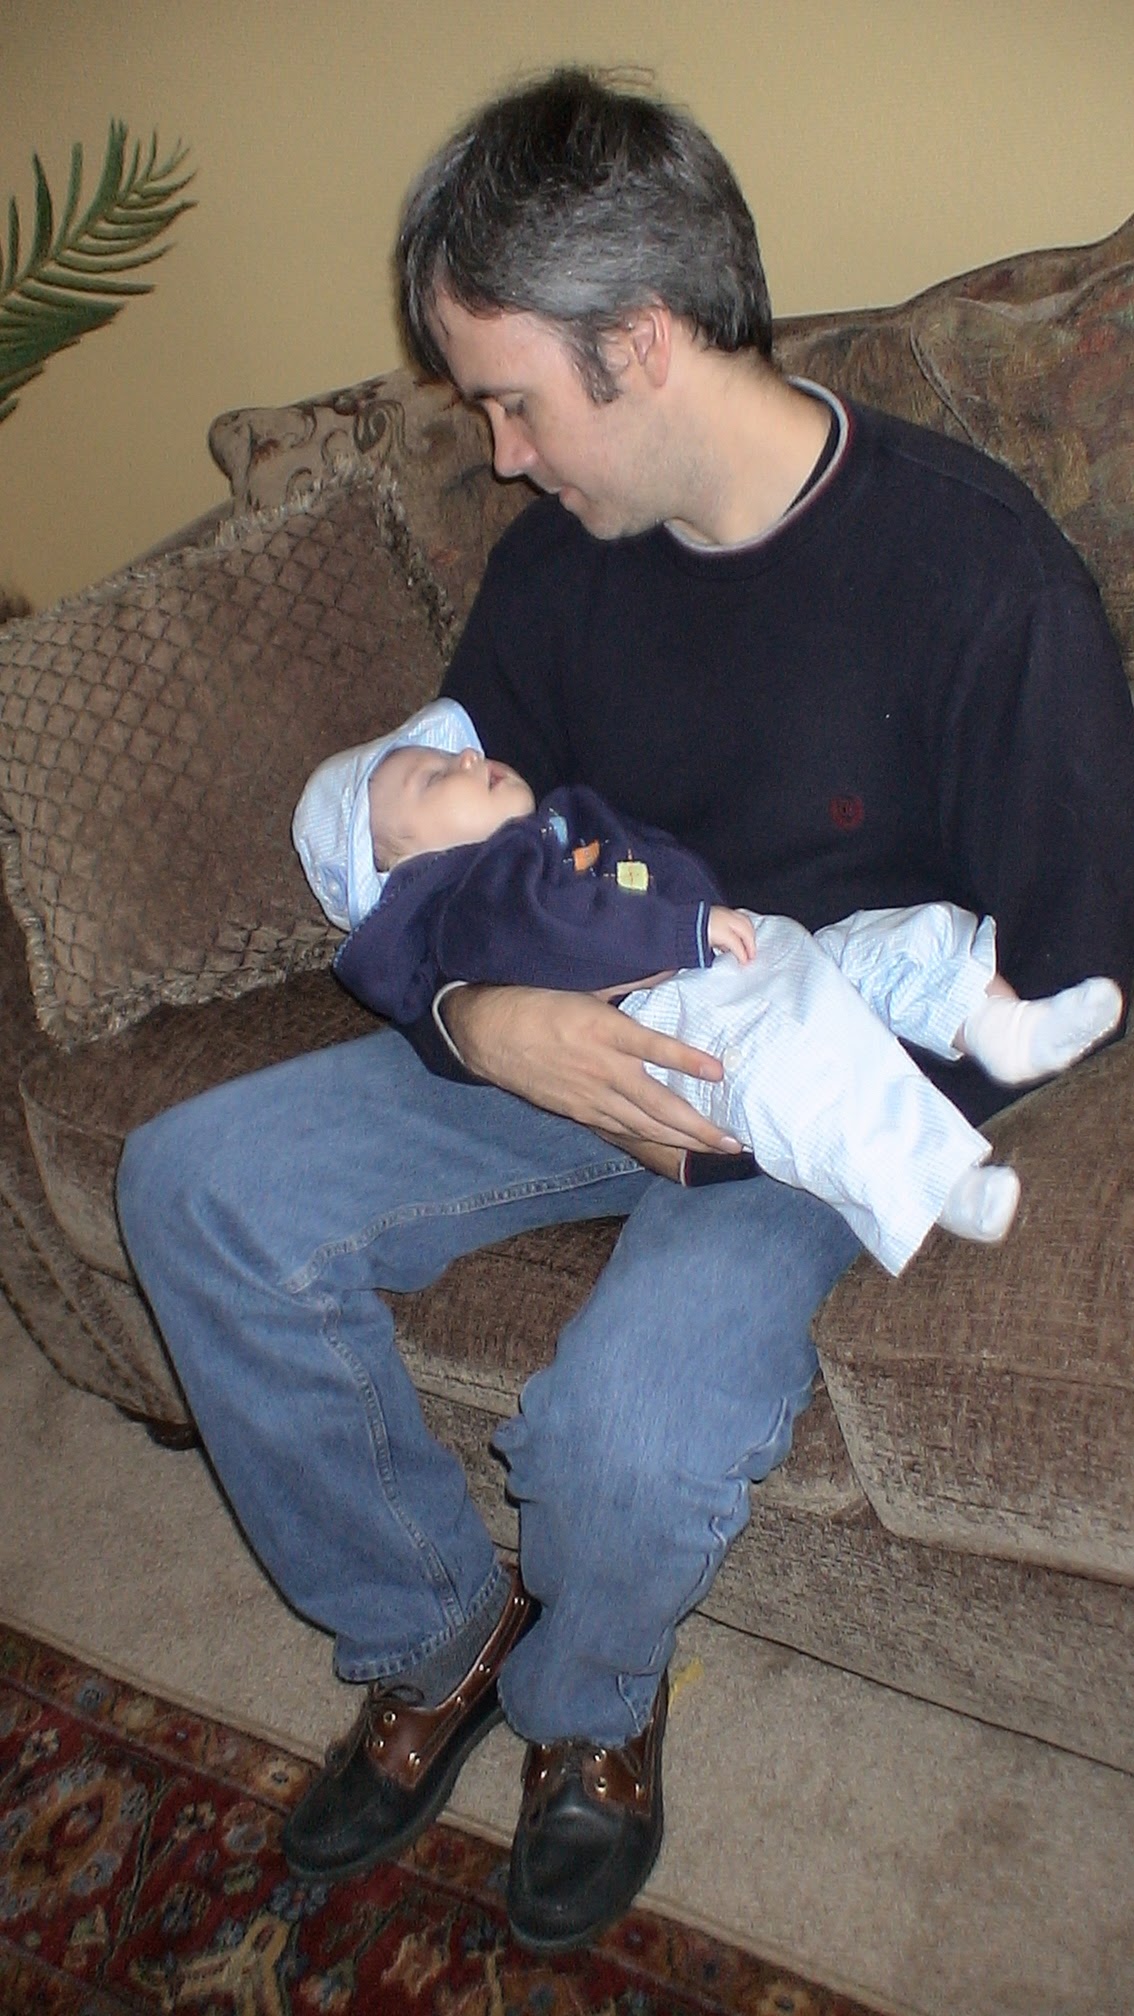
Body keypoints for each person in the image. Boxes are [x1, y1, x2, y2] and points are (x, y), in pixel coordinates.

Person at [115, 67, 1134, 1955]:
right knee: (191, 1187)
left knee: (629, 1433)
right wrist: (483, 1020)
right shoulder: (556, 568)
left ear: (644, 341)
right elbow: (440, 853)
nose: (501, 455)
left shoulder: (974, 574)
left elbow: (1073, 967)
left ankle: (586, 1708)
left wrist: (750, 1110)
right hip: (553, 1033)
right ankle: (433, 1633)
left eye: (511, 399)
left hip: (799, 1098)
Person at [291, 696, 1123, 1275]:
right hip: (673, 1022)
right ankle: (934, 1186)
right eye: (435, 777)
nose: (469, 756)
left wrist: (700, 916)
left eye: (454, 751)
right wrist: (687, 930)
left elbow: (658, 864)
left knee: (893, 941)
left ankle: (1001, 1026)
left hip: (734, 954)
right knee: (797, 1074)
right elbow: (569, 935)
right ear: (404, 870)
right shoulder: (479, 901)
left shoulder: (554, 828)